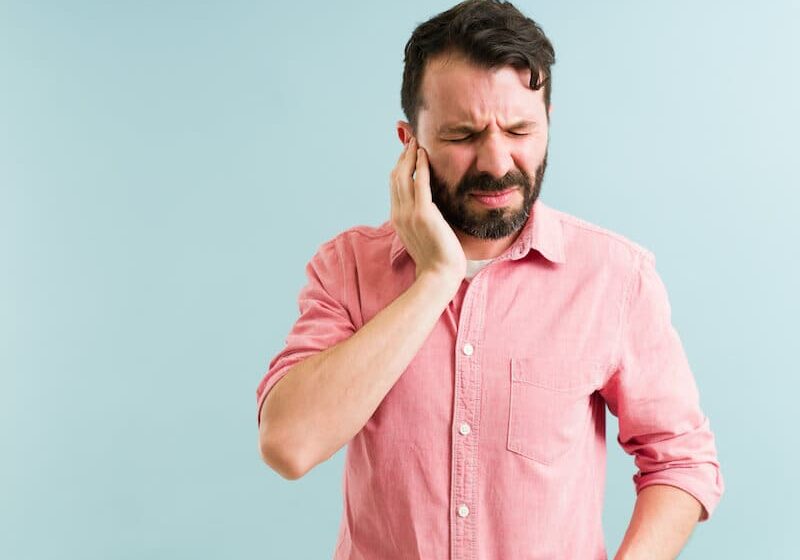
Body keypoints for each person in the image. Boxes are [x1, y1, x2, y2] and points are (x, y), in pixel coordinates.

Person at [255, 1, 724, 558]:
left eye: (520, 129)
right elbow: (289, 444)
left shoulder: (615, 278)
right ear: (410, 144)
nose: (498, 162)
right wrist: (435, 278)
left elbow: (681, 459)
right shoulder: (347, 268)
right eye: (462, 136)